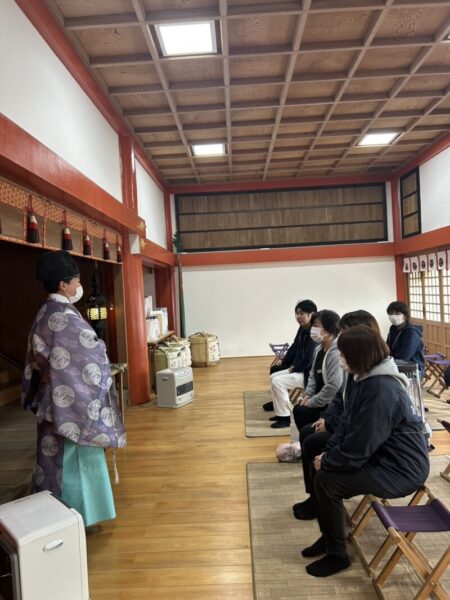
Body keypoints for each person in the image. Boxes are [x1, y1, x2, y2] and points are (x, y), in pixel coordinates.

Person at [302, 326, 429, 578]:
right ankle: (329, 537)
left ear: (360, 354)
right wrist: (327, 453)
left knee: (327, 481)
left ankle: (337, 555)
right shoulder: (364, 378)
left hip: (401, 468)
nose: (340, 358)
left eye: (344, 354)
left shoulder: (382, 389)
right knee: (318, 467)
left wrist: (329, 460)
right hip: (381, 455)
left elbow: (361, 445)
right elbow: (347, 424)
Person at [21, 250, 127, 529]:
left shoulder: (46, 312)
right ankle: (78, 516)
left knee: (53, 459)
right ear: (63, 285)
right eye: (77, 281)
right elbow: (89, 355)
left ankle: (54, 515)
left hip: (54, 398)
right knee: (75, 458)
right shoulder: (63, 317)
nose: (79, 286)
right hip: (70, 402)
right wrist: (101, 350)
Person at [293, 310, 380, 520]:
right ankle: (314, 497)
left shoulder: (377, 380)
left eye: (346, 333)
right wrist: (327, 418)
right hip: (343, 424)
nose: (343, 339)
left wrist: (331, 441)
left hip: (366, 445)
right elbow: (342, 398)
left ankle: (319, 500)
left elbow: (362, 426)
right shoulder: (353, 365)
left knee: (313, 443)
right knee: (309, 433)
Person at [291, 310, 342, 436]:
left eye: (316, 325)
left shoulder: (336, 353)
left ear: (329, 328)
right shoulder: (319, 349)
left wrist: (311, 402)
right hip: (318, 399)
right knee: (299, 409)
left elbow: (333, 387)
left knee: (302, 413)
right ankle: (304, 439)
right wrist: (308, 395)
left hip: (330, 403)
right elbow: (312, 375)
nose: (313, 329)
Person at [268, 299, 318, 428]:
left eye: (302, 313)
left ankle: (285, 418)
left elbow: (308, 359)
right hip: (299, 369)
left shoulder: (314, 333)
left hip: (308, 375)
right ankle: (279, 409)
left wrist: (293, 368)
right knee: (273, 375)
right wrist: (284, 361)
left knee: (277, 381)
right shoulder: (302, 328)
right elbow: (295, 346)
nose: (298, 317)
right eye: (297, 313)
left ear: (312, 314)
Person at [386, 301, 425, 377]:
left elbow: (404, 357)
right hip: (396, 365)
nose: (393, 316)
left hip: (413, 370)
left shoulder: (411, 333)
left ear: (405, 316)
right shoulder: (393, 329)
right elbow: (386, 349)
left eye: (397, 313)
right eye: (391, 313)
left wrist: (388, 358)